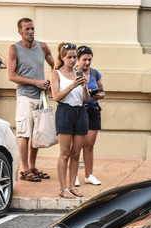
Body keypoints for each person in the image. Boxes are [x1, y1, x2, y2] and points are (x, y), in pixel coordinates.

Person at [7, 18, 55, 182]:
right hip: (25, 96)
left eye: (32, 28)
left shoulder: (42, 46)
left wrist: (51, 83)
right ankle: (24, 169)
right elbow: (11, 76)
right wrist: (35, 81)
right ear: (20, 31)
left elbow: (54, 65)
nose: (30, 32)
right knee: (24, 134)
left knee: (37, 134)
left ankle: (33, 167)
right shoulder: (14, 48)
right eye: (27, 29)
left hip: (41, 96)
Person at [51, 43, 89, 199]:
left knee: (76, 153)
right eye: (69, 57)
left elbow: (86, 98)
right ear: (62, 57)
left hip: (80, 112)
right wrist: (72, 86)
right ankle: (63, 188)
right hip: (65, 112)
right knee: (65, 153)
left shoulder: (79, 73)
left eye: (74, 57)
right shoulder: (56, 74)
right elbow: (56, 97)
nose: (73, 60)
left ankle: (73, 185)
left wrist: (85, 87)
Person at [74, 45, 104, 186]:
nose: (87, 63)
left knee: (89, 145)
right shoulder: (73, 73)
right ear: (78, 59)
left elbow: (103, 91)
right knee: (76, 145)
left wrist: (98, 94)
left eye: (89, 59)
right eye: (84, 59)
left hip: (93, 108)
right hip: (79, 109)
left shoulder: (94, 72)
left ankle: (89, 174)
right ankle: (73, 175)